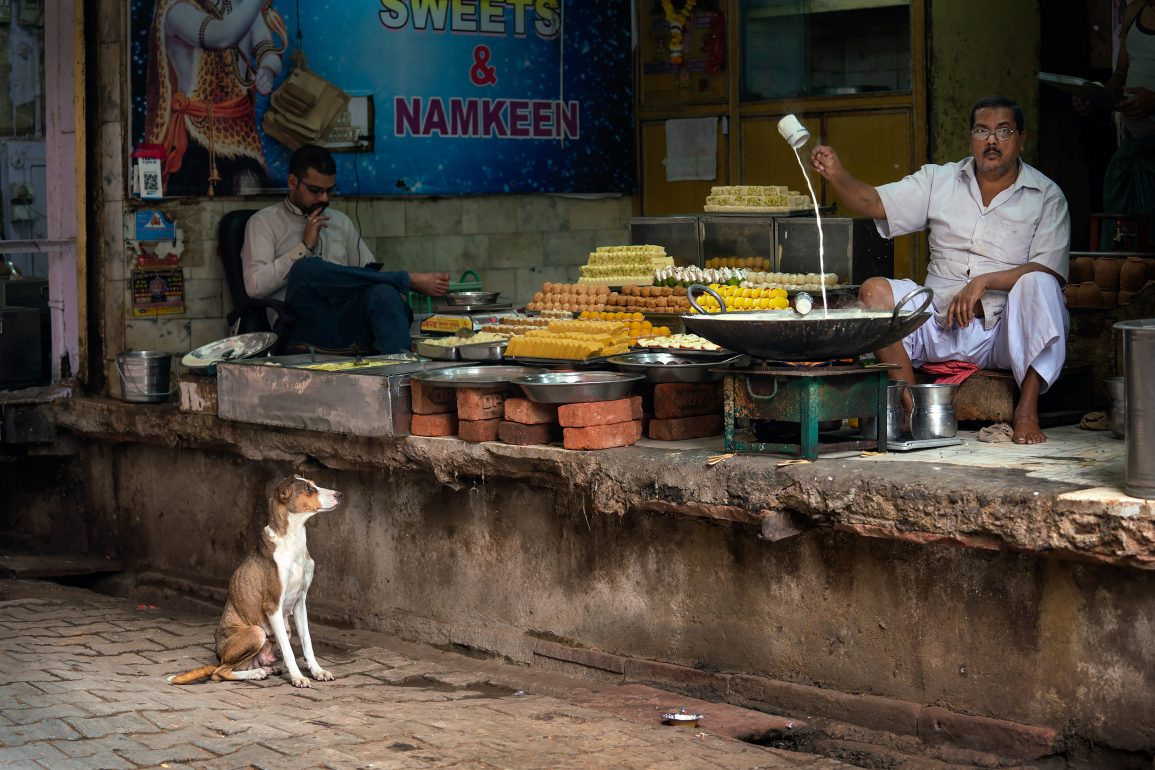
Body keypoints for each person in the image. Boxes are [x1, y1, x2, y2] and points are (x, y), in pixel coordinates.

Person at [809, 95, 1071, 445]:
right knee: (874, 292)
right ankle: (912, 405)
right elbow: (872, 202)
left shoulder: (1046, 195)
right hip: (938, 323)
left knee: (1039, 284)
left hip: (1003, 333)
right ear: (970, 139)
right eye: (982, 131)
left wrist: (984, 282)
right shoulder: (939, 180)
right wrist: (837, 174)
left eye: (1003, 131)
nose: (991, 141)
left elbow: (1050, 269)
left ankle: (1027, 409)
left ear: (1022, 139)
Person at [242, 144, 449, 354]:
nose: (323, 198)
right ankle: (405, 279)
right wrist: (304, 248)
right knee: (305, 269)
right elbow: (254, 286)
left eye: (329, 190)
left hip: (345, 323)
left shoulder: (340, 222)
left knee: (383, 291)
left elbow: (366, 273)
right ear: (292, 182)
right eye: (315, 190)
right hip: (300, 325)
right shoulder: (263, 222)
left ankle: (400, 375)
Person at [144, 0, 286, 196]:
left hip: (242, 135)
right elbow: (220, 36)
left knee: (248, 199)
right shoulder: (176, 8)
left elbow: (266, 49)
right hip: (195, 141)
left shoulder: (237, 4)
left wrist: (267, 69)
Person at [1075, 0, 1155, 246]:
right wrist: (1096, 97)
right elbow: (1120, 74)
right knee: (1126, 245)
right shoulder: (1135, 12)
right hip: (1136, 149)